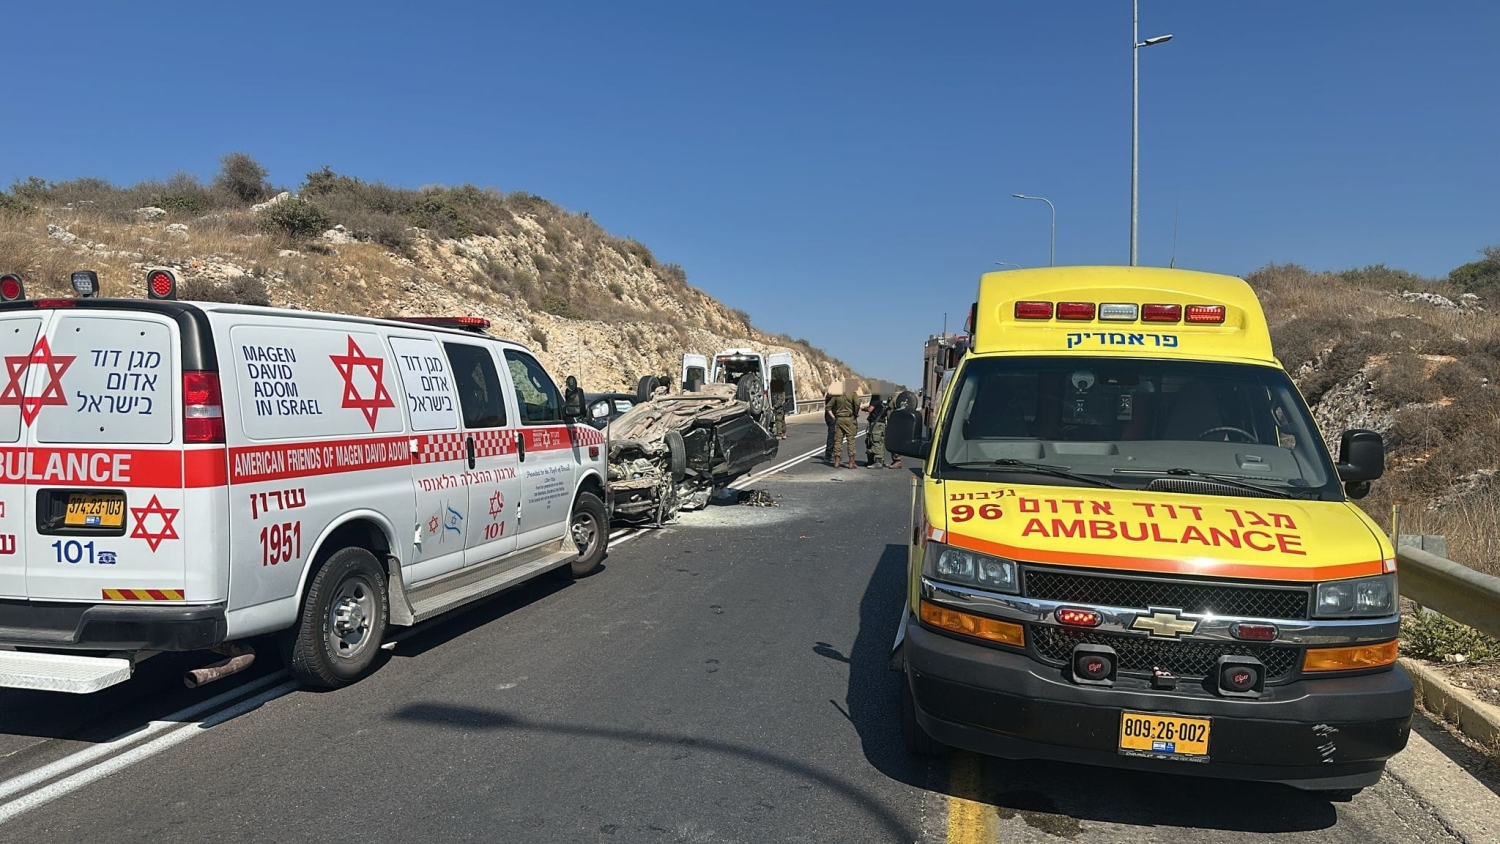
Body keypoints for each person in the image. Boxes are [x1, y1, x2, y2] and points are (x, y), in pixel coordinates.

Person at [830, 386, 860, 468]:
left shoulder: (836, 395)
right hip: (849, 419)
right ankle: (851, 462)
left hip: (839, 419)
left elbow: (828, 407)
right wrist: (856, 413)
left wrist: (834, 416)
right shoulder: (852, 394)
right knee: (851, 440)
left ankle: (836, 461)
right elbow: (857, 404)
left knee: (838, 440)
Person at [862, 393, 888, 468]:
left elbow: (870, 409)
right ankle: (874, 460)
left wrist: (863, 408)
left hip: (876, 422)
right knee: (877, 441)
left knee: (875, 441)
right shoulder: (885, 397)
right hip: (881, 422)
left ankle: (878, 462)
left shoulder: (876, 396)